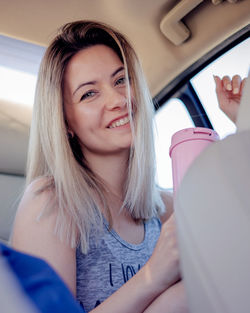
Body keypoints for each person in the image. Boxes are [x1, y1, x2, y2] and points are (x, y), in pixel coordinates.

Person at [10, 20, 245, 313]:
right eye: (89, 94)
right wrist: (154, 274)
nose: (118, 100)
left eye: (121, 80)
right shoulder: (51, 203)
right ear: (65, 122)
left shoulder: (167, 209)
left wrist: (244, 125)